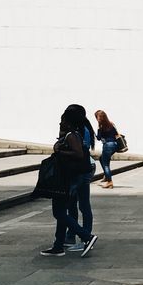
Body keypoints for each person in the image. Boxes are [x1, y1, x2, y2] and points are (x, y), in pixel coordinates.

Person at [41, 106, 98, 257]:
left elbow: (78, 153)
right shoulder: (77, 132)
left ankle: (86, 236)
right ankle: (59, 244)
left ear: (68, 121)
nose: (60, 123)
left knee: (63, 210)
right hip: (77, 173)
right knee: (65, 210)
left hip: (73, 175)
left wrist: (59, 150)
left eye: (62, 120)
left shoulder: (73, 135)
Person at [62, 104, 96, 253]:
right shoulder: (82, 128)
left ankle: (85, 237)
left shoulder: (78, 131)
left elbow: (79, 153)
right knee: (76, 204)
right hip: (85, 168)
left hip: (80, 170)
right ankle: (73, 236)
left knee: (78, 205)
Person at [95, 109, 120, 188]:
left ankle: (109, 182)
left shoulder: (101, 126)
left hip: (107, 146)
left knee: (106, 164)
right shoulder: (111, 124)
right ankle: (106, 176)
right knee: (101, 158)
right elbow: (116, 134)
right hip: (114, 145)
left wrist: (98, 129)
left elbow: (98, 138)